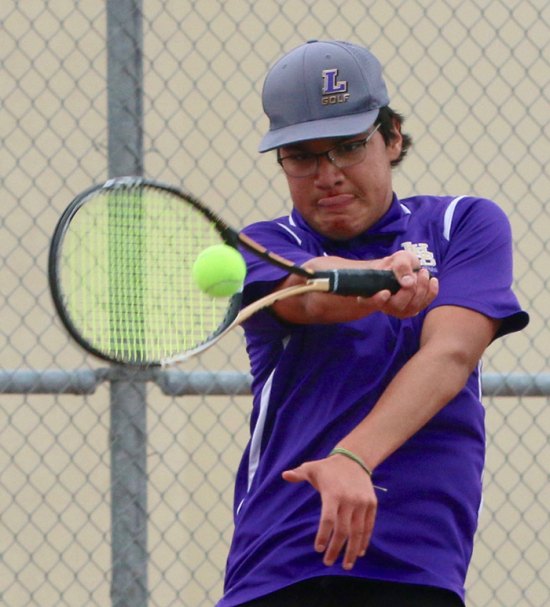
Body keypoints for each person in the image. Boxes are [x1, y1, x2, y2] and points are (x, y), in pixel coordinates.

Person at [216, 40, 529, 607]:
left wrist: (352, 457)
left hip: (417, 562)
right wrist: (376, 280)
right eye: (302, 156)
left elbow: (450, 356)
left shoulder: (464, 224)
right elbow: (306, 292)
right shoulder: (266, 244)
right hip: (283, 559)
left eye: (348, 146)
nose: (327, 174)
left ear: (392, 139)